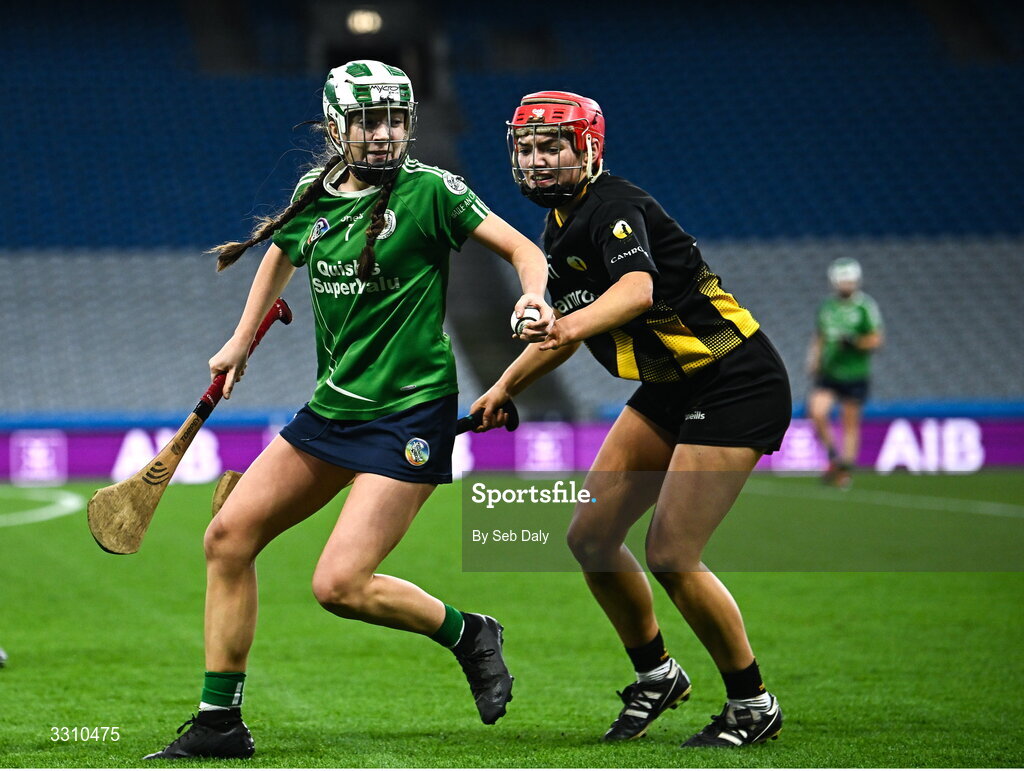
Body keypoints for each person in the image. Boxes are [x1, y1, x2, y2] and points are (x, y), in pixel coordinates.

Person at [144, 61, 553, 760]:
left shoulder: (432, 192)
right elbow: (280, 254)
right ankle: (219, 723)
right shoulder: (316, 191)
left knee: (339, 585)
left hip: (411, 414)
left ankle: (470, 632)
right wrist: (240, 339)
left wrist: (534, 297)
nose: (383, 133)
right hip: (332, 409)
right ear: (337, 128)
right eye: (368, 121)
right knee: (227, 538)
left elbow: (522, 248)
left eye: (394, 120)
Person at [471, 91, 791, 748]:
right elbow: (561, 329)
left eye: (551, 146)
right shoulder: (559, 227)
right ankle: (657, 674)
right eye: (526, 148)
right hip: (671, 386)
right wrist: (503, 385)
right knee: (591, 537)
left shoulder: (613, 207)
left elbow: (636, 292)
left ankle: (752, 702)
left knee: (672, 554)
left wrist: (563, 326)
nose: (536, 159)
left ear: (588, 148)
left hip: (733, 377)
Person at [805, 257, 884, 489]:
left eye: (849, 280)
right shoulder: (827, 307)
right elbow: (820, 336)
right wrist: (814, 359)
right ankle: (833, 457)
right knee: (817, 412)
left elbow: (877, 339)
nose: (846, 285)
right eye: (842, 281)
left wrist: (854, 342)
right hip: (830, 371)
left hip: (855, 373)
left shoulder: (864, 307)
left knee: (849, 422)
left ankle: (845, 470)